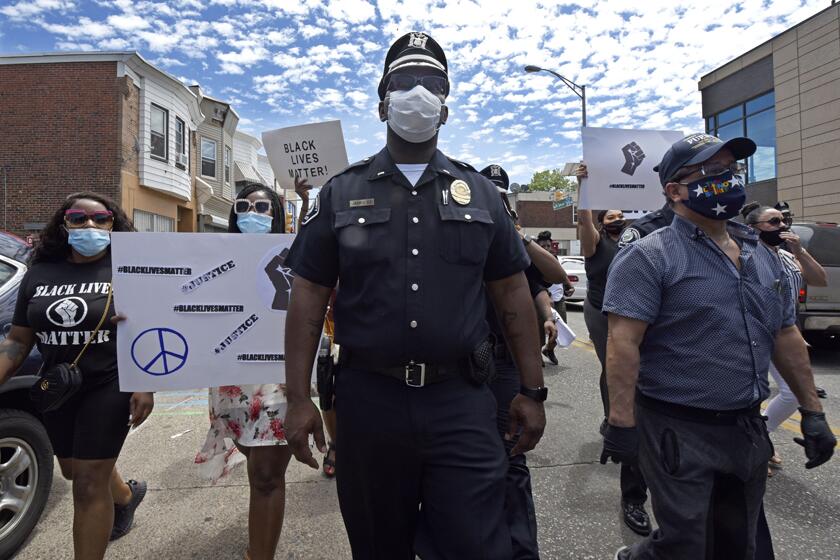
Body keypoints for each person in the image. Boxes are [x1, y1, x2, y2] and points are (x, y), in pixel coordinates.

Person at [282, 32, 547, 559]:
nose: (418, 93)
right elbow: (308, 297)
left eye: (433, 83)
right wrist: (296, 397)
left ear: (446, 108)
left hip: (462, 403)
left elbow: (512, 293)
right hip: (368, 403)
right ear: (383, 101)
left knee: (477, 545)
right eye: (404, 81)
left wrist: (533, 392)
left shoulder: (482, 194)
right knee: (380, 545)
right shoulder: (340, 192)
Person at [603, 133, 836, 560]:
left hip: (745, 427)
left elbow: (785, 334)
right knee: (686, 544)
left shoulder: (761, 255)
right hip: (677, 426)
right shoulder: (650, 255)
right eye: (712, 172)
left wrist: (813, 411)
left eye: (731, 170)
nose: (727, 180)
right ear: (674, 190)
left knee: (739, 541)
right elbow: (623, 343)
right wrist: (621, 422)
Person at [0, 192, 152, 558]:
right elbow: (18, 341)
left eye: (100, 219)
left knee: (86, 485)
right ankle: (126, 496)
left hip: (109, 382)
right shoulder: (40, 272)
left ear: (113, 224)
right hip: (57, 385)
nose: (90, 226)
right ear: (63, 224)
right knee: (72, 470)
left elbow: (153, 327)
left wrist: (145, 383)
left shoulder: (127, 267)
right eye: (79, 218)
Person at [194, 181, 296, 560]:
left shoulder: (294, 257)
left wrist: (302, 199)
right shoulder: (212, 257)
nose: (252, 213)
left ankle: (260, 554)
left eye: (263, 207)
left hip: (280, 379)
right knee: (255, 462)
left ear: (277, 215)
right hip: (231, 380)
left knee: (267, 475)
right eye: (244, 205)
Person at [480, 163, 557, 558]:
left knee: (511, 457)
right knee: (467, 459)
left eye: (501, 195)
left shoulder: (515, 242)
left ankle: (522, 550)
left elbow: (549, 279)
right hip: (467, 362)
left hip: (506, 361)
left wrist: (518, 238)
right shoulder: (468, 235)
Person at [575, 168, 651, 536]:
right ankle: (615, 419)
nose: (617, 221)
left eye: (621, 216)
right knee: (614, 366)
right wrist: (583, 185)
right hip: (601, 310)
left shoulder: (641, 241)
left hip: (635, 310)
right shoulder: (596, 244)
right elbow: (584, 219)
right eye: (611, 217)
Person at [742, 202, 828, 474]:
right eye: (774, 222)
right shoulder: (747, 255)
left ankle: (760, 437)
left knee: (792, 393)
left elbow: (819, 280)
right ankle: (753, 447)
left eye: (784, 221)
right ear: (753, 229)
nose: (782, 227)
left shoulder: (789, 256)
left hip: (786, 334)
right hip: (755, 334)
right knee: (751, 394)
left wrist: (799, 251)